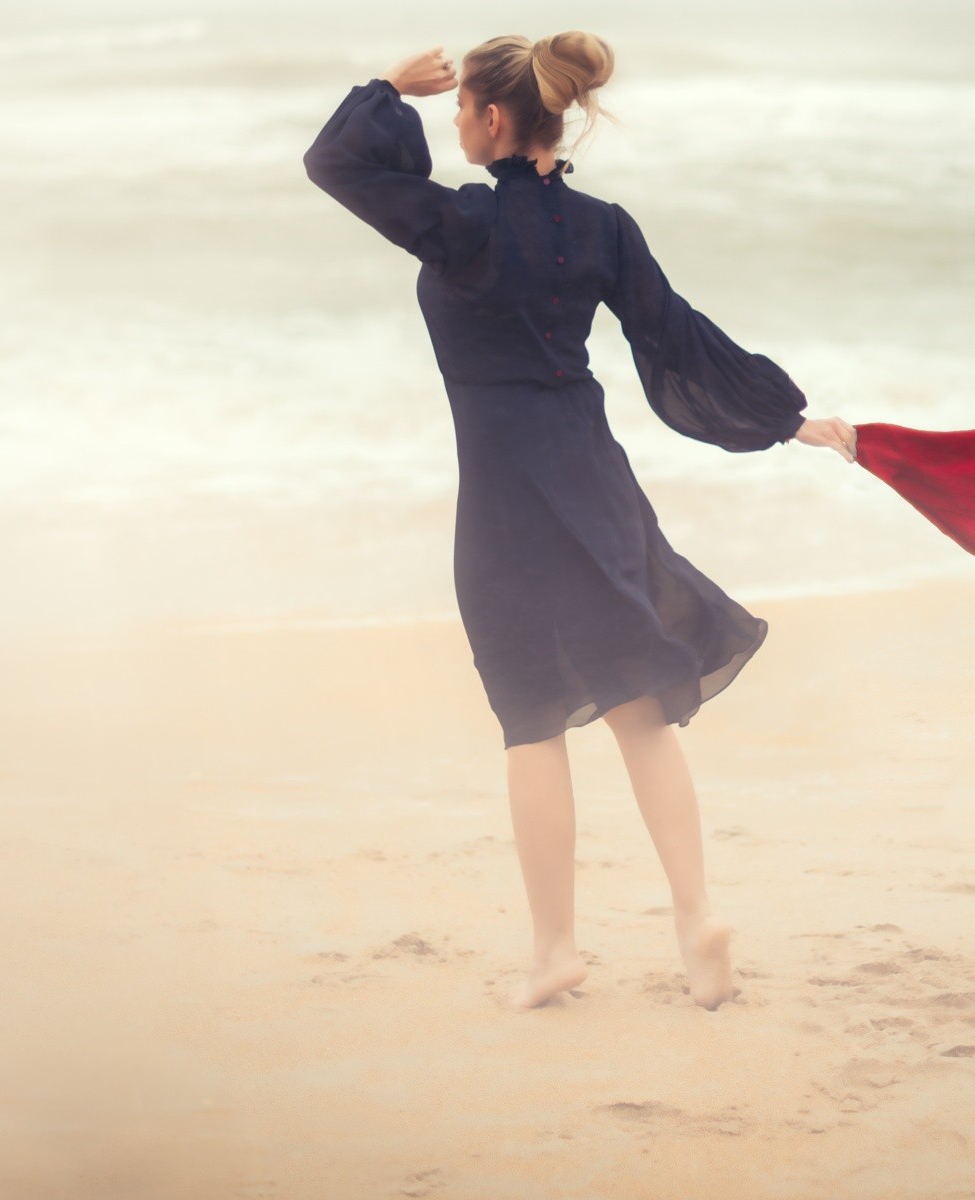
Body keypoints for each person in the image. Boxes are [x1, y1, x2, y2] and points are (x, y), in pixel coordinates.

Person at [304, 34, 855, 1011]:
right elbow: (677, 337)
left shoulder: (463, 226)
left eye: (458, 109)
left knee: (530, 722)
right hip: (597, 483)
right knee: (639, 707)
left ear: (492, 119)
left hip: (507, 498)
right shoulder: (605, 228)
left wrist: (385, 88)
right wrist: (784, 419)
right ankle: (697, 920)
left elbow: (337, 164)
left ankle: (556, 951)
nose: (453, 125)